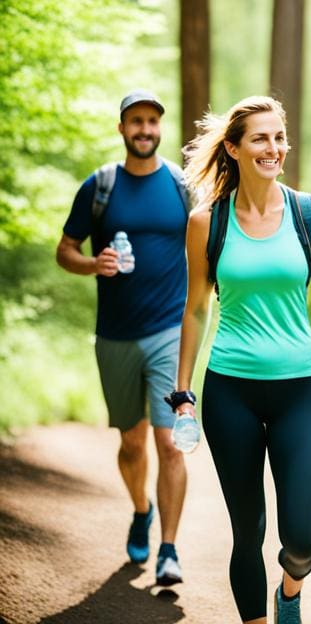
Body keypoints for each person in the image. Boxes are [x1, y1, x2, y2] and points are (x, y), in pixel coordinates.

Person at [170, 96, 311, 624]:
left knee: (301, 540)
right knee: (246, 533)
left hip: (299, 391)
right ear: (233, 147)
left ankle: (289, 592)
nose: (274, 148)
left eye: (279, 137)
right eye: (260, 139)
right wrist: (184, 393)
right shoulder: (207, 222)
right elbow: (196, 310)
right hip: (231, 392)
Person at [56, 90, 189, 586]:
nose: (145, 129)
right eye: (136, 121)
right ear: (121, 128)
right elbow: (65, 249)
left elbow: (208, 245)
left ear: (161, 127)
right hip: (113, 336)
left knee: (170, 444)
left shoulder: (181, 186)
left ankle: (170, 549)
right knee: (132, 443)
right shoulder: (100, 186)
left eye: (153, 121)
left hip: (170, 333)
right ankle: (140, 509)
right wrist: (94, 263)